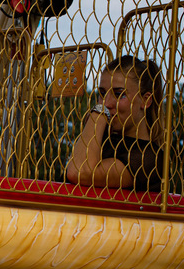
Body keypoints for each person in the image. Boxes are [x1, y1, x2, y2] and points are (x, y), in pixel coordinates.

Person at [65, 55, 163, 192]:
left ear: (146, 100)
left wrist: (98, 114)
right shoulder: (104, 141)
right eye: (102, 94)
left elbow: (79, 172)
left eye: (119, 94)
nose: (107, 103)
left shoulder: (148, 157)